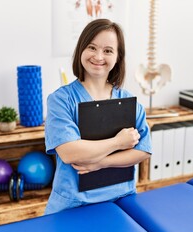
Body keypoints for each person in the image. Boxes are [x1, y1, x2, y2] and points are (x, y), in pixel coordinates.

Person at [44, 18, 152, 215]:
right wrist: (119, 142)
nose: (98, 56)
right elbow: (70, 152)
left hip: (122, 200)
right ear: (81, 50)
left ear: (118, 57)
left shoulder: (129, 101)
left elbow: (143, 151)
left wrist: (101, 162)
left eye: (108, 50)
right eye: (92, 47)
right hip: (74, 205)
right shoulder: (61, 99)